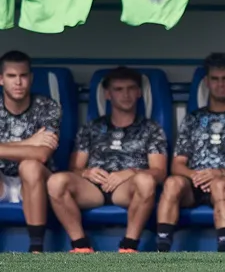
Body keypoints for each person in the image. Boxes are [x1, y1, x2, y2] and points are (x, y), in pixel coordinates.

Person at [46, 67, 168, 253]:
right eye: (119, 89)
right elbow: (74, 168)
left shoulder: (151, 128)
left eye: (130, 88)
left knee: (146, 180)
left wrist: (131, 172)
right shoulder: (91, 128)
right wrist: (86, 172)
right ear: (108, 94)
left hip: (127, 189)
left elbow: (159, 172)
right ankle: (81, 246)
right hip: (93, 188)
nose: (125, 94)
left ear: (138, 93)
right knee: (56, 181)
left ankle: (129, 247)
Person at [155, 53, 225, 253]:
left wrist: (219, 173)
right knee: (172, 183)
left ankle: (224, 250)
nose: (220, 84)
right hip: (193, 183)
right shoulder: (193, 119)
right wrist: (196, 176)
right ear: (206, 82)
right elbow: (177, 164)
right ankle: (162, 249)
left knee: (220, 185)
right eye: (215, 79)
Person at [0, 50, 61, 253]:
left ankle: (36, 251)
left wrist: (7, 148)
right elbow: (34, 148)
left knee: (31, 166)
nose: (18, 82)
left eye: (23, 76)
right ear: (1, 79)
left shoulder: (48, 107)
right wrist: (29, 142)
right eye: (11, 76)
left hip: (36, 183)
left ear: (31, 78)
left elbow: (42, 154)